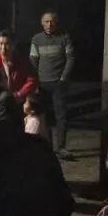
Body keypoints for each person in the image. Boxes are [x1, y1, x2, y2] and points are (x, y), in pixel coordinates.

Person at [29, 11, 75, 158]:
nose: (49, 24)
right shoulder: (36, 39)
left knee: (61, 116)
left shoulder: (64, 37)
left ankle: (61, 148)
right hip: (42, 84)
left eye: (52, 21)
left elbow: (71, 58)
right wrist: (35, 81)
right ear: (42, 23)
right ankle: (46, 147)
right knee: (43, 116)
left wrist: (63, 79)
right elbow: (33, 61)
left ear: (56, 23)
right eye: (46, 21)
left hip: (58, 84)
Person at [0, 29, 37, 102]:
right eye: (0, 44)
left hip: (20, 101)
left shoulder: (23, 62)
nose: (3, 48)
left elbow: (32, 80)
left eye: (7, 44)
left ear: (13, 45)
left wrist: (19, 94)